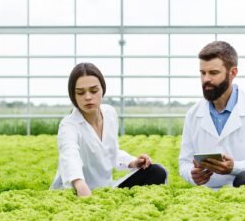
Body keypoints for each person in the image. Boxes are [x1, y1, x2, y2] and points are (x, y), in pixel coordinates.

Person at [51, 62, 167, 196]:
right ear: (73, 96)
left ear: (102, 90)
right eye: (80, 93)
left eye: (94, 91)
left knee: (157, 172)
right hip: (76, 190)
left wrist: (133, 162)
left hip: (105, 189)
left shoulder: (110, 114)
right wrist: (79, 183)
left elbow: (111, 152)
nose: (88, 97)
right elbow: (70, 156)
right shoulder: (69, 125)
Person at [179, 41, 245, 189]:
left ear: (232, 73)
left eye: (213, 73)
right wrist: (192, 174)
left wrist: (235, 167)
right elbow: (184, 162)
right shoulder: (193, 114)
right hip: (210, 191)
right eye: (203, 73)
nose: (206, 79)